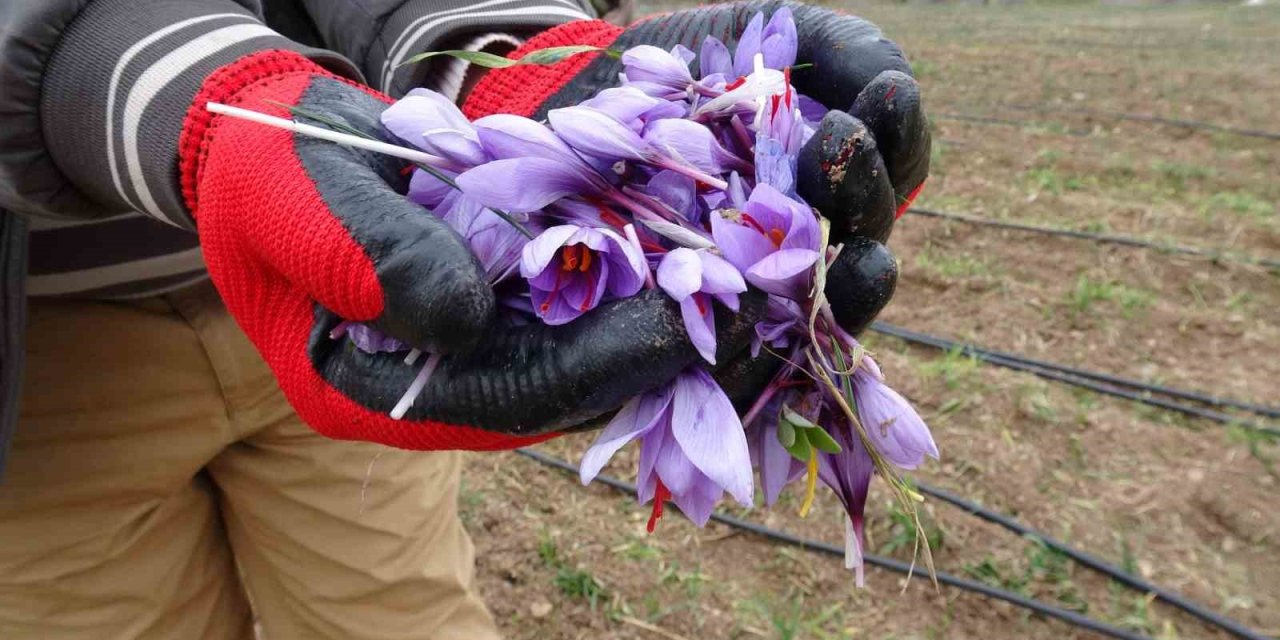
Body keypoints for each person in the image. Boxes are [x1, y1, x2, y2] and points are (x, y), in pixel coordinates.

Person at [0, 0, 930, 637]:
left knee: (403, 610)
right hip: (48, 373)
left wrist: (497, 41)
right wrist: (150, 85)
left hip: (374, 295)